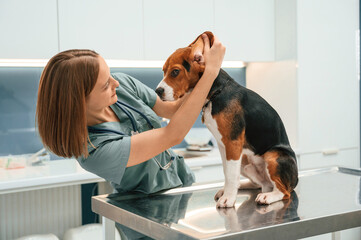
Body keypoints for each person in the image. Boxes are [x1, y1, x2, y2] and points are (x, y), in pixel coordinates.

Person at [36, 33, 224, 196]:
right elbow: (172, 135)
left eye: (110, 75)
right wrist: (211, 73)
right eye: (105, 85)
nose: (115, 83)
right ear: (78, 103)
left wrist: (199, 62)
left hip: (181, 186)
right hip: (146, 212)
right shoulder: (94, 151)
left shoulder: (122, 85)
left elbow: (172, 109)